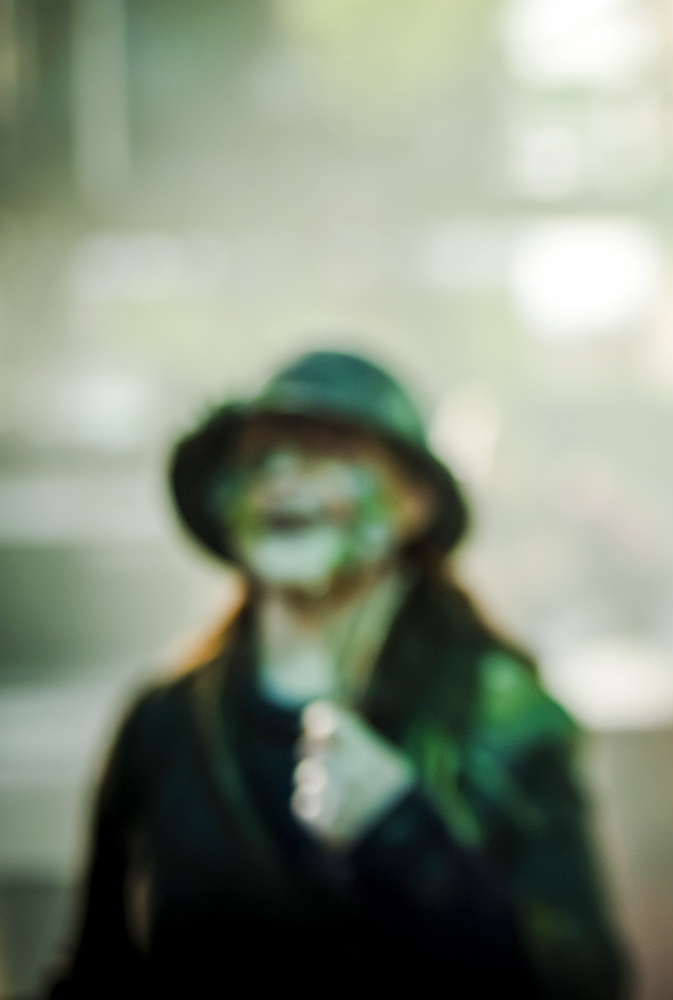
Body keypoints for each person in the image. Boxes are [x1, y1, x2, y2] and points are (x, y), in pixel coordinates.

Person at [52, 351, 624, 997]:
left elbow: (585, 980)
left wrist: (404, 834)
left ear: (412, 500)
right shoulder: (163, 724)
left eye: (323, 450)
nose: (281, 478)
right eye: (258, 457)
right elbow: (95, 969)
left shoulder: (501, 716)